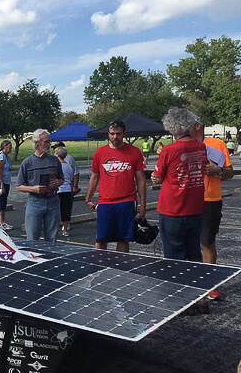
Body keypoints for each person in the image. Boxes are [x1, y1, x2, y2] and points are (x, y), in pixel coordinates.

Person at [151, 108, 207, 262]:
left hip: (173, 209)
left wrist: (156, 175)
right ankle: (197, 284)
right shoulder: (201, 146)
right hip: (195, 208)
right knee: (194, 252)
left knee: (174, 255)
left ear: (171, 126)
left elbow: (158, 176)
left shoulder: (169, 150)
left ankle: (177, 285)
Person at [190, 116, 234, 300]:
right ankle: (190, 283)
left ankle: (209, 285)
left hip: (210, 200)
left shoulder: (217, 144)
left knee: (207, 241)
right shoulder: (182, 145)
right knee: (187, 244)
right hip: (186, 200)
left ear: (197, 125)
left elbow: (230, 173)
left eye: (187, 124)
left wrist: (219, 171)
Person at [85, 120, 146, 253]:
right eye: (112, 134)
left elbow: (141, 179)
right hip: (105, 202)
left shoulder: (134, 152)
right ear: (108, 134)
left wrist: (143, 205)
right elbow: (94, 177)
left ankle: (121, 269)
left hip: (127, 202)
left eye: (118, 134)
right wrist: (88, 198)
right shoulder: (99, 153)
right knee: (101, 240)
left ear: (124, 134)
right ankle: (100, 267)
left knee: (123, 239)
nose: (115, 137)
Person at [16, 129, 64, 242]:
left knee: (52, 238)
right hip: (35, 202)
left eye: (49, 141)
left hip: (53, 201)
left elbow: (62, 179)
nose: (49, 144)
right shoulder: (27, 162)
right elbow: (19, 186)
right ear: (37, 143)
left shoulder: (54, 160)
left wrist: (58, 182)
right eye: (46, 142)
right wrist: (33, 189)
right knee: (32, 238)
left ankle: (50, 258)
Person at [0, 140, 13, 230]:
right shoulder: (1, 156)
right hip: (1, 182)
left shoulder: (6, 156)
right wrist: (1, 183)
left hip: (6, 181)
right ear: (5, 146)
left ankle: (2, 222)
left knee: (4, 201)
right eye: (10, 146)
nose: (11, 148)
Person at [55, 147, 74, 237]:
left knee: (55, 211)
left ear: (58, 155)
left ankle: (54, 229)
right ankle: (65, 230)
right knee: (66, 211)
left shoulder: (57, 166)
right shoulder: (69, 166)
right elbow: (71, 178)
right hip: (67, 190)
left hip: (58, 190)